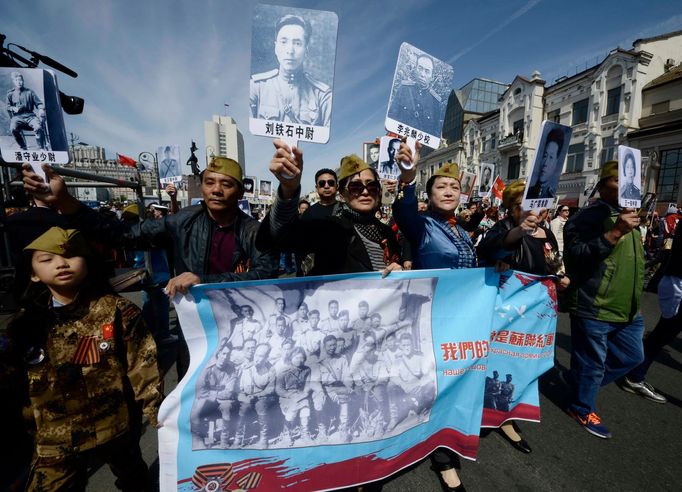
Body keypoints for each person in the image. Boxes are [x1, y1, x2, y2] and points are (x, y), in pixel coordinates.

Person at [22, 156, 279, 377]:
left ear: (240, 192)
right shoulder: (183, 221)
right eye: (210, 182)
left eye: (226, 184)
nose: (216, 190)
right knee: (194, 383)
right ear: (202, 187)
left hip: (243, 322)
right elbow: (126, 235)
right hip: (195, 323)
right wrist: (66, 202)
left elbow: (265, 273)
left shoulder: (252, 231)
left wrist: (204, 280)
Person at [9, 227, 161, 490]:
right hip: (54, 436)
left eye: (72, 256)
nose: (61, 264)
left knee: (135, 480)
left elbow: (144, 367)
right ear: (33, 273)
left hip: (115, 425)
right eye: (47, 259)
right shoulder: (24, 325)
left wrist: (159, 414)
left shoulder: (118, 312)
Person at [392, 150, 478, 491]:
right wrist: (409, 177)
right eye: (441, 186)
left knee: (451, 386)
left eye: (454, 187)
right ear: (429, 194)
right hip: (428, 321)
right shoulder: (422, 225)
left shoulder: (465, 232)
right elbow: (402, 211)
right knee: (425, 385)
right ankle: (436, 456)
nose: (448, 191)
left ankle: (441, 445)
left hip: (462, 322)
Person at [562, 160, 645, 439]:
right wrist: (615, 233)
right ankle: (581, 406)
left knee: (633, 356)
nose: (625, 188)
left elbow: (632, 262)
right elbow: (576, 256)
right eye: (617, 182)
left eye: (630, 182)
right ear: (602, 185)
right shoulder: (589, 216)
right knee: (592, 363)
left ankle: (578, 381)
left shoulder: (629, 214)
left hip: (627, 309)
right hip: (595, 305)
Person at [258, 141, 402, 277]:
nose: (365, 192)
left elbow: (397, 263)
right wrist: (288, 190)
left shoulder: (387, 232)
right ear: (343, 193)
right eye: (356, 187)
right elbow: (276, 237)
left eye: (371, 186)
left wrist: (398, 269)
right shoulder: (330, 229)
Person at [619, 223, 680, 403]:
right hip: (678, 284)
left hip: (675, 281)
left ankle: (635, 374)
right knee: (663, 334)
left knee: (662, 334)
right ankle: (635, 376)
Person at [250, 14, 331, 126]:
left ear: (306, 50)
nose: (290, 50)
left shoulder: (322, 96)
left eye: (297, 43)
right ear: (276, 47)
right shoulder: (256, 87)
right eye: (284, 42)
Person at [191, 340, 240, 448]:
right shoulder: (207, 369)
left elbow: (229, 391)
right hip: (207, 398)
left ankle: (224, 439)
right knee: (196, 412)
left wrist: (215, 393)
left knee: (227, 407)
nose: (225, 357)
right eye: (223, 353)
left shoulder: (232, 369)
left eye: (228, 354)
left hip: (223, 399)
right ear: (218, 354)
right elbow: (201, 390)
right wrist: (215, 394)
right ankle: (198, 438)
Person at [387, 53, 442, 136]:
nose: (422, 74)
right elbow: (392, 117)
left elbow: (436, 132)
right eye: (420, 68)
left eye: (427, 71)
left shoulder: (435, 102)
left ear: (432, 76)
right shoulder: (404, 89)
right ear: (415, 69)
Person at [236, 343, 277, 448]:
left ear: (266, 358)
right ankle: (238, 437)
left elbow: (270, 389)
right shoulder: (247, 368)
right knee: (244, 407)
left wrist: (257, 395)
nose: (257, 358)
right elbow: (240, 387)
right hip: (247, 396)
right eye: (256, 355)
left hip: (263, 397)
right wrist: (245, 396)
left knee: (261, 406)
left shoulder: (271, 370)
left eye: (261, 356)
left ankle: (264, 437)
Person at [276, 346, 313, 446]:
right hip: (287, 397)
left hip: (301, 395)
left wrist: (304, 394)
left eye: (301, 358)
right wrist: (290, 395)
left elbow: (308, 385)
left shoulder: (307, 370)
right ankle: (286, 432)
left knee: (305, 409)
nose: (299, 360)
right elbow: (279, 389)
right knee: (292, 409)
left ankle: (304, 432)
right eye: (296, 358)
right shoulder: (283, 371)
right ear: (290, 358)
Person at [6, 71, 47, 150]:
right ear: (14, 82)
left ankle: (41, 147)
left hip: (30, 116)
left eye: (20, 80)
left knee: (38, 127)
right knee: (13, 129)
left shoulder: (30, 92)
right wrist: (13, 108)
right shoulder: (10, 94)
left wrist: (41, 109)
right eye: (17, 80)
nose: (19, 82)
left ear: (23, 81)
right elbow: (8, 106)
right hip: (17, 117)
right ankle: (23, 147)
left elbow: (39, 103)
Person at [526, 128, 565, 199]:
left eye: (551, 157)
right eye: (545, 156)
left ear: (556, 162)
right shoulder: (527, 194)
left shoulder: (550, 197)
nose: (545, 163)